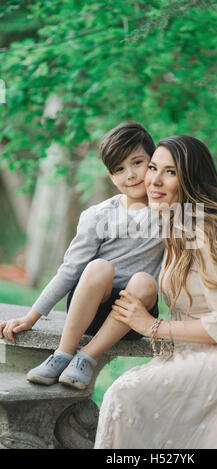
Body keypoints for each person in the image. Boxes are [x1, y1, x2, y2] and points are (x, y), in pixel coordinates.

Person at [94, 135, 217, 449]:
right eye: (152, 168)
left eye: (171, 172)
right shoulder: (178, 224)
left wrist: (152, 327)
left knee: (125, 393)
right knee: (132, 394)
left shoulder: (206, 230)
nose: (155, 180)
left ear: (191, 180)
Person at [0, 122, 165, 390]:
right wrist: (31, 317)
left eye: (138, 162)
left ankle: (86, 358)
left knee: (146, 281)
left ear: (153, 162)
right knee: (99, 267)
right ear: (112, 176)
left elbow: (176, 271)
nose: (131, 174)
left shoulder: (170, 214)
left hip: (133, 317)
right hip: (89, 310)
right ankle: (63, 354)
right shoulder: (98, 215)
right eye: (120, 169)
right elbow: (69, 270)